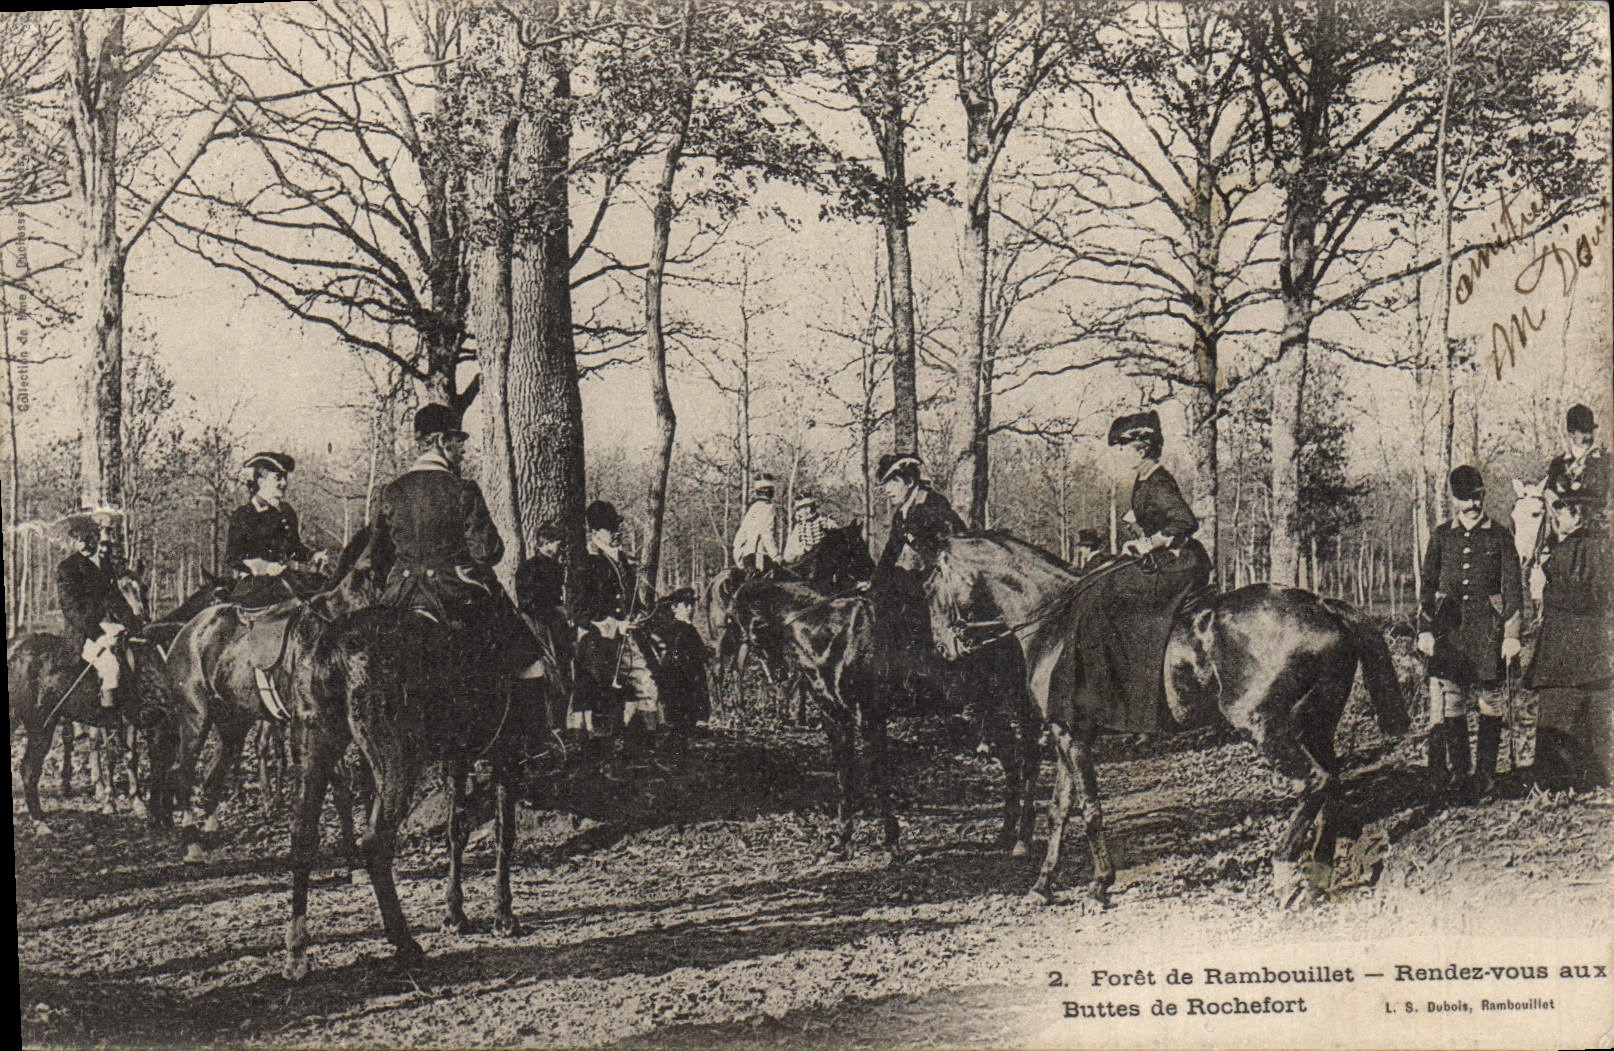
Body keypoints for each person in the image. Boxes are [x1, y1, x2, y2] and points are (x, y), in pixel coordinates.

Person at [370, 403, 545, 686]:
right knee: (531, 663)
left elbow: (378, 560)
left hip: (400, 596)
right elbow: (487, 553)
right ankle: (532, 730)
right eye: (458, 441)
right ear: (440, 441)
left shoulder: (391, 491)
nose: (462, 449)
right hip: (453, 593)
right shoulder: (462, 489)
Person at [1082, 410, 1212, 734]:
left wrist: (1149, 544)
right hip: (1167, 561)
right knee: (1102, 574)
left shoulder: (1158, 481)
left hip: (1181, 565)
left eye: (1124, 449)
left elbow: (1185, 521)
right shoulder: (1143, 481)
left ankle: (1141, 697)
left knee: (1111, 590)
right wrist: (1137, 541)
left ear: (1141, 450)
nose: (1121, 455)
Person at [1417, 465, 1523, 804]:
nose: (1472, 506)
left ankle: (1487, 776)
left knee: (1490, 701)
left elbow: (1513, 590)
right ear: (1454, 499)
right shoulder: (1442, 535)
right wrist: (1425, 629)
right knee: (1453, 701)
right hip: (1450, 633)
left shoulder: (1500, 535)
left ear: (1483, 496)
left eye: (1476, 498)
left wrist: (1511, 634)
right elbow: (1427, 587)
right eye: (1464, 499)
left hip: (1488, 632)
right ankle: (1461, 774)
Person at [1523, 489, 1612, 790]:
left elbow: (1595, 597)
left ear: (1576, 513)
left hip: (1584, 648)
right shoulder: (1562, 544)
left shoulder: (1593, 545)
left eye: (1561, 509)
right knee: (1559, 709)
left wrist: (1545, 590)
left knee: (1579, 713)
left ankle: (1575, 781)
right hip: (1561, 648)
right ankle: (1557, 781)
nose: (1556, 514)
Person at [572, 499, 660, 741]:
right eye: (610, 529)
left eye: (616, 527)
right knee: (602, 698)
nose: (616, 533)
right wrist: (613, 624)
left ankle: (645, 749)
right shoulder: (585, 562)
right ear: (595, 532)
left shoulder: (623, 561)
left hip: (628, 640)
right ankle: (601, 756)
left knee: (647, 687)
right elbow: (577, 610)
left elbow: (632, 599)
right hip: (599, 644)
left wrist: (641, 614)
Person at [56, 512, 136, 710]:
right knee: (110, 665)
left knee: (136, 656)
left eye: (88, 537)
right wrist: (98, 635)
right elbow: (71, 610)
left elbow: (115, 598)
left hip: (107, 627)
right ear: (73, 540)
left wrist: (132, 623)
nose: (84, 543)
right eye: (78, 539)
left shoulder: (102, 565)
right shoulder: (67, 568)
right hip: (83, 634)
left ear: (94, 536)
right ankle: (110, 725)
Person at [225, 451, 318, 606]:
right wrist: (264, 567)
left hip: (285, 579)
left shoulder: (286, 512)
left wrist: (312, 555)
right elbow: (233, 557)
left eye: (285, 477)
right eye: (277, 478)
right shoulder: (243, 515)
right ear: (261, 481)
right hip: (254, 585)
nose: (284, 483)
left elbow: (294, 548)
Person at [647, 587, 712, 737]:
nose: (690, 609)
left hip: (689, 675)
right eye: (686, 605)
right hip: (680, 675)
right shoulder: (676, 628)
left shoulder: (687, 628)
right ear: (674, 607)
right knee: (681, 708)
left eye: (691, 605)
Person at [1543, 403, 1609, 523]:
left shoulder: (1605, 462)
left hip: (1595, 532)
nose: (1589, 436)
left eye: (1590, 430)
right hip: (1563, 533)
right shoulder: (1557, 464)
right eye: (1583, 431)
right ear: (1571, 433)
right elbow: (1548, 494)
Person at [731, 476, 782, 576]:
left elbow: (740, 536)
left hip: (747, 556)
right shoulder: (768, 508)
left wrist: (739, 557)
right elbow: (767, 534)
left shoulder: (752, 508)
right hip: (760, 557)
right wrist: (776, 556)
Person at [783, 494, 837, 565]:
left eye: (799, 509)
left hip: (824, 558)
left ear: (808, 509)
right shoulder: (799, 526)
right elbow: (790, 549)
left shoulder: (825, 521)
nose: (798, 513)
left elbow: (837, 539)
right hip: (806, 559)